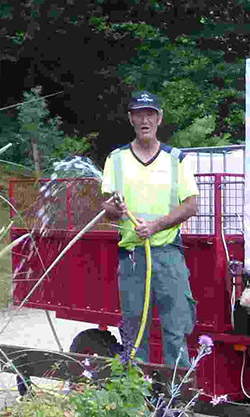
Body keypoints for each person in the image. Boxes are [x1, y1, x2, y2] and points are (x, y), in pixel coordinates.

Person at [100, 90, 199, 366]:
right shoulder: (116, 159)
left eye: (150, 114)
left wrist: (155, 226)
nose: (145, 119)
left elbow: (191, 205)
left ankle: (176, 404)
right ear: (131, 119)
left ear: (159, 118)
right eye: (139, 114)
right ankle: (137, 405)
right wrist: (114, 208)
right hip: (133, 257)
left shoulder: (176, 159)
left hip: (168, 255)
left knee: (176, 331)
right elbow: (105, 207)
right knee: (134, 332)